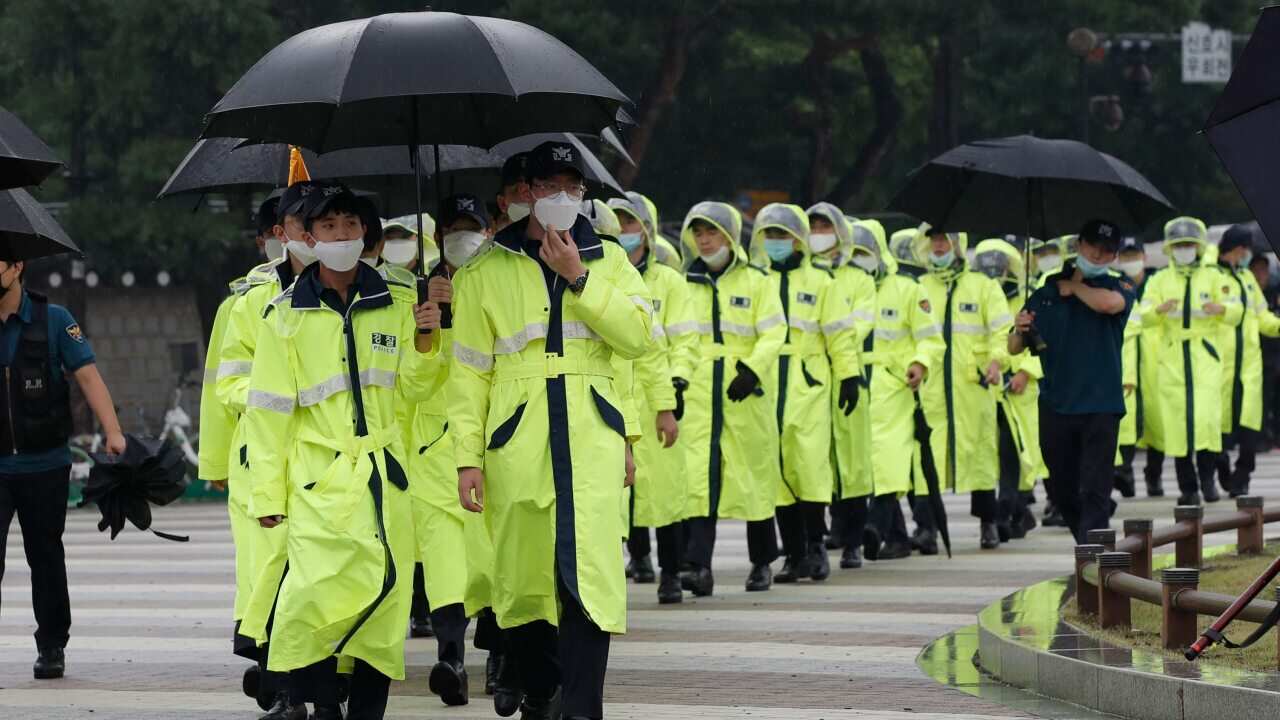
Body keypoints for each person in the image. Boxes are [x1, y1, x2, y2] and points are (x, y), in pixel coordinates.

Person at [449, 140, 652, 720]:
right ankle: (540, 692)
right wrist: (468, 458)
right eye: (550, 187)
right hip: (519, 440)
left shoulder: (609, 259)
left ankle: (584, 709)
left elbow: (637, 340)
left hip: (592, 436)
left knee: (589, 577)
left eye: (574, 187)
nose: (563, 198)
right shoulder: (485, 270)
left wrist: (580, 277)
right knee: (524, 581)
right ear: (526, 194)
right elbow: (467, 375)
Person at [246, 185, 445, 720]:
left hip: (384, 481)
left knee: (384, 606)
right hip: (317, 485)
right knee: (314, 597)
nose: (340, 236)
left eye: (350, 226)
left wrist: (428, 340)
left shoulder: (400, 302)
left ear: (365, 234)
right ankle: (317, 700)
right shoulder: (282, 316)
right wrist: (267, 494)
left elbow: (419, 390)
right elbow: (266, 416)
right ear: (308, 238)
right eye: (328, 227)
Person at [216, 182, 319, 720]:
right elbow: (227, 384)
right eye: (307, 228)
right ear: (283, 235)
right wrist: (277, 394)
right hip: (262, 457)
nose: (318, 237)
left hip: (328, 462)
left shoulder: (350, 298)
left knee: (316, 573)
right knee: (269, 572)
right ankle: (282, 687)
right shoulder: (251, 303)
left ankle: (319, 683)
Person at [0, 256, 126, 681]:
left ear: (16, 267)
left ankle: (52, 645)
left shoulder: (54, 320)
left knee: (46, 557)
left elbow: (88, 375)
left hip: (44, 463)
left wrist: (113, 433)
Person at [677, 201, 786, 595]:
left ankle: (762, 563)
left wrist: (752, 370)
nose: (705, 241)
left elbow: (775, 333)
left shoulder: (758, 282)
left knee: (754, 478)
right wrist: (678, 382)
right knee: (698, 480)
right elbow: (683, 339)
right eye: (699, 233)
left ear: (730, 236)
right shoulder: (685, 282)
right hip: (703, 394)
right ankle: (698, 567)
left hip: (745, 394)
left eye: (712, 233)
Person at [749, 203, 860, 582]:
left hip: (807, 382)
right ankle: (793, 554)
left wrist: (849, 375)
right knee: (775, 468)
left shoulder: (821, 282)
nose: (777, 242)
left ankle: (816, 545)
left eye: (784, 235)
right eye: (771, 235)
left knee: (808, 463)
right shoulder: (758, 280)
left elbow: (840, 334)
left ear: (798, 240)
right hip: (766, 384)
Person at [1011, 219, 1135, 543]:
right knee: (1063, 488)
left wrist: (1076, 288)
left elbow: (1108, 305)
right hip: (1057, 403)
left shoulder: (1119, 285)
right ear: (1079, 245)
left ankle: (1094, 558)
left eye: (1107, 251)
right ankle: (1089, 543)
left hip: (1101, 405)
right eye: (1093, 246)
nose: (1098, 255)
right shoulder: (1048, 291)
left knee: (1095, 486)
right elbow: (1014, 347)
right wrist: (1019, 326)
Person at [608, 194, 697, 603]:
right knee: (623, 492)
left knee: (665, 495)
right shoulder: (607, 277)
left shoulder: (669, 281)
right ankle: (637, 559)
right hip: (617, 397)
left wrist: (672, 391)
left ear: (646, 229)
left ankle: (672, 573)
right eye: (618, 223)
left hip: (655, 394)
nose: (625, 232)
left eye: (631, 223)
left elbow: (678, 341)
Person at [841, 220, 942, 562]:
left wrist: (920, 362)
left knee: (891, 458)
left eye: (864, 251)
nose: (858, 259)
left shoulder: (908, 289)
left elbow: (930, 337)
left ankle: (875, 523)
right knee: (865, 462)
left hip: (893, 385)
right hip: (854, 382)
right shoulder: (844, 286)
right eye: (852, 252)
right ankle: (896, 536)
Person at [919, 229, 1012, 549]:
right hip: (931, 387)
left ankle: (988, 522)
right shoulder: (920, 288)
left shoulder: (982, 286)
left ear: (958, 244)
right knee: (927, 455)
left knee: (981, 454)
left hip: (973, 386)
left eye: (945, 239)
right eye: (934, 240)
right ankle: (926, 527)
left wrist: (997, 360)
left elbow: (1002, 330)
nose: (940, 245)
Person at [1139, 217, 1234, 505]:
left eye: (1189, 244)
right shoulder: (1159, 280)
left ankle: (1208, 481)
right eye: (1179, 245)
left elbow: (1237, 308)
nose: (1184, 249)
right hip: (1172, 359)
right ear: (1170, 248)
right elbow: (1142, 315)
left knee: (1206, 422)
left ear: (1200, 246)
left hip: (1204, 355)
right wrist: (1159, 309)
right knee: (1178, 428)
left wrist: (1221, 309)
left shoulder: (1215, 276)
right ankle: (1188, 489)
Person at [806, 204, 875, 568]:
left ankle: (853, 541)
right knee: (815, 460)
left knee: (852, 462)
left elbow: (859, 325)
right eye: (813, 226)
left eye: (824, 226)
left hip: (847, 376)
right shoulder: (803, 276)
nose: (818, 232)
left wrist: (835, 344)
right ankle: (822, 534)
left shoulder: (859, 280)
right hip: (811, 380)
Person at [972, 238, 1043, 541]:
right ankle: (1002, 513)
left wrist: (1026, 372)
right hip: (987, 384)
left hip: (1018, 387)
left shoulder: (1025, 299)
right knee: (991, 450)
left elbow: (1036, 344)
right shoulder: (978, 297)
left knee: (1018, 452)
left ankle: (1014, 508)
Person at [1213, 225, 1280, 497]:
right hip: (1220, 366)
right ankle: (1222, 469)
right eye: (1246, 249)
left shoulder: (1248, 279)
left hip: (1250, 367)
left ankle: (1242, 477)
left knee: (1252, 428)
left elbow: (1262, 317)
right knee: (1218, 430)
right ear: (1237, 249)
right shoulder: (1211, 277)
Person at [1110, 237, 1148, 499]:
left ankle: (1125, 471)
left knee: (1135, 424)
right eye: (1126, 256)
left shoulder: (1151, 282)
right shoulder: (1117, 285)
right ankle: (1121, 472)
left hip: (1152, 364)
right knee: (1123, 423)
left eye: (1134, 255)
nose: (1130, 261)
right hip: (1124, 362)